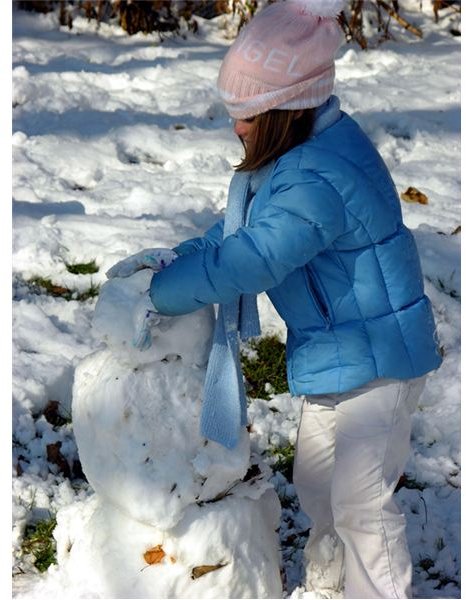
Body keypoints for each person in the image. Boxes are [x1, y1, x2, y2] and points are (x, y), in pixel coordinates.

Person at [106, 0, 442, 597]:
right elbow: (241, 231)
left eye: (246, 115)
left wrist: (164, 294)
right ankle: (330, 571)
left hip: (382, 360)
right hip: (336, 355)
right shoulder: (295, 160)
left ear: (285, 110)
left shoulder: (317, 178)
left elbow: (252, 258)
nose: (235, 126)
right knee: (315, 485)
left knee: (360, 501)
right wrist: (179, 260)